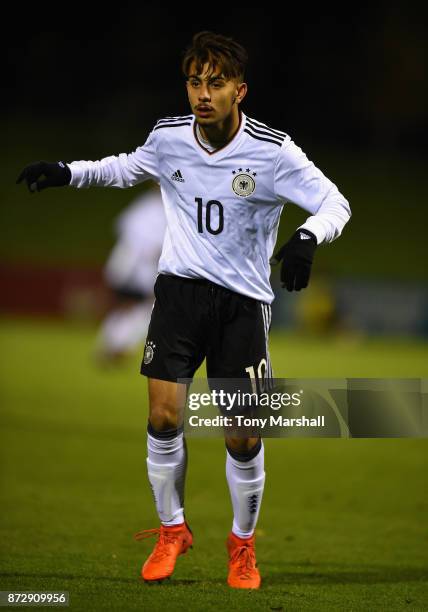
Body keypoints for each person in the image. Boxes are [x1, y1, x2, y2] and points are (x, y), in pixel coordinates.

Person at [16, 31, 351, 589]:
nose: (203, 92)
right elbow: (124, 167)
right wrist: (66, 170)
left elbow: (334, 202)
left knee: (244, 437)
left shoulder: (273, 151)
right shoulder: (169, 138)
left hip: (243, 306)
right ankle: (173, 530)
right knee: (163, 417)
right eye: (195, 81)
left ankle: (242, 547)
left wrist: (308, 237)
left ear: (239, 90)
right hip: (178, 294)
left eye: (216, 83)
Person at [94, 184, 166, 363]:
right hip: (140, 266)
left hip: (125, 262)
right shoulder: (160, 208)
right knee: (145, 307)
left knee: (129, 307)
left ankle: (114, 344)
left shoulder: (144, 205)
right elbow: (153, 243)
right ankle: (118, 345)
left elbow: (121, 226)